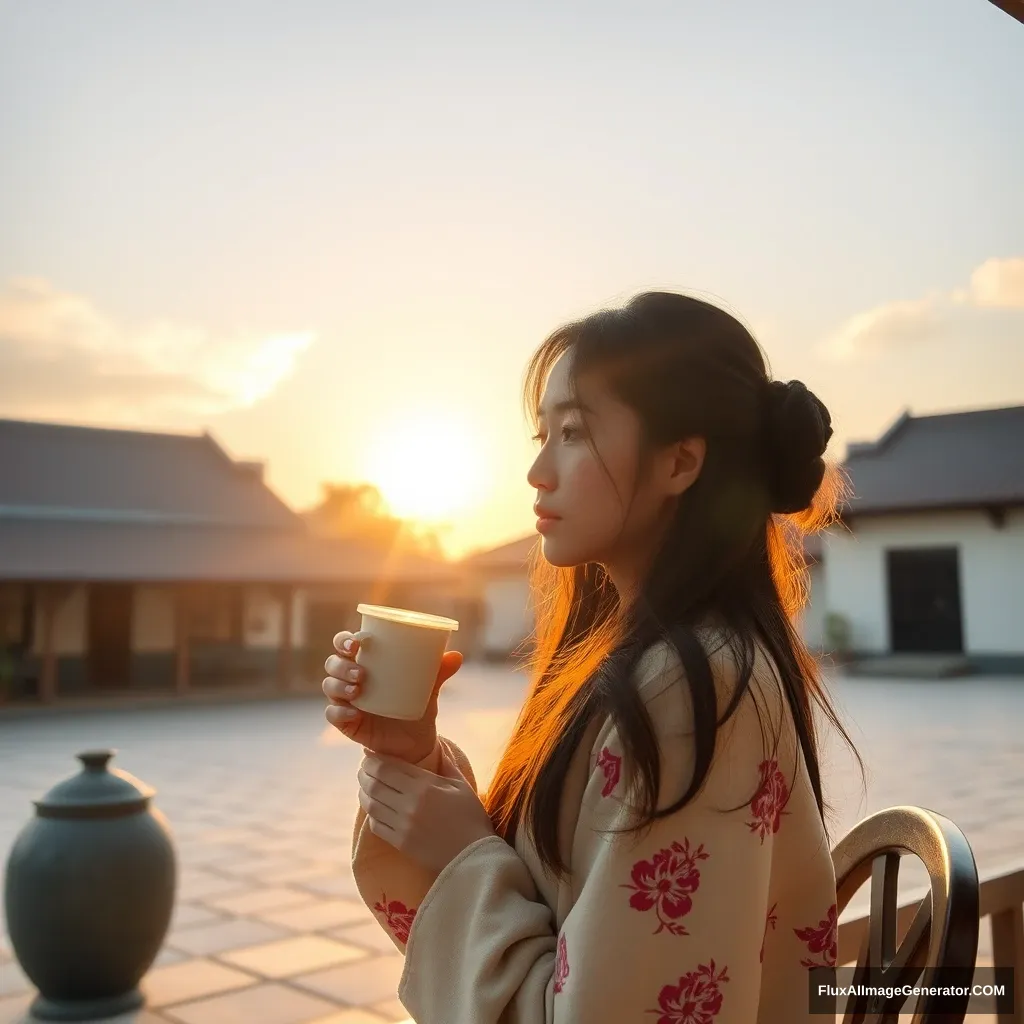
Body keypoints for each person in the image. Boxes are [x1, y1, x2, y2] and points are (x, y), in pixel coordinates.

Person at [323, 291, 861, 1023]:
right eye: (541, 435)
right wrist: (411, 754)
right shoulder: (661, 661)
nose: (538, 471)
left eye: (573, 432)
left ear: (680, 461)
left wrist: (465, 855)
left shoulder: (693, 686)